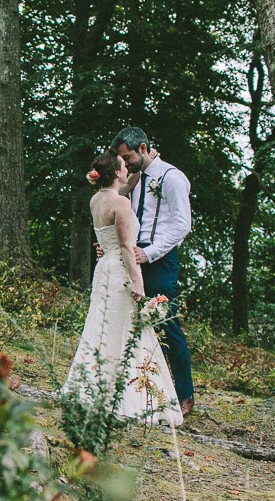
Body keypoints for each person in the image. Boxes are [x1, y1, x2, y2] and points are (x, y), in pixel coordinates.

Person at [63, 149, 184, 426]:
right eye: (123, 166)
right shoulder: (122, 205)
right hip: (119, 271)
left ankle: (91, 389)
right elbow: (129, 249)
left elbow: (123, 187)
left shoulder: (97, 199)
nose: (127, 167)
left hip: (102, 271)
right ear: (117, 172)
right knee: (127, 331)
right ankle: (131, 398)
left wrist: (144, 166)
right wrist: (139, 285)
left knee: (101, 328)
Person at [111, 127, 194, 417]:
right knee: (133, 324)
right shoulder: (133, 179)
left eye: (128, 156)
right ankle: (141, 392)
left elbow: (182, 224)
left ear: (144, 148)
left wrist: (150, 252)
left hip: (159, 259)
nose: (125, 162)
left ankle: (184, 395)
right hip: (132, 257)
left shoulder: (172, 177)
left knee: (166, 325)